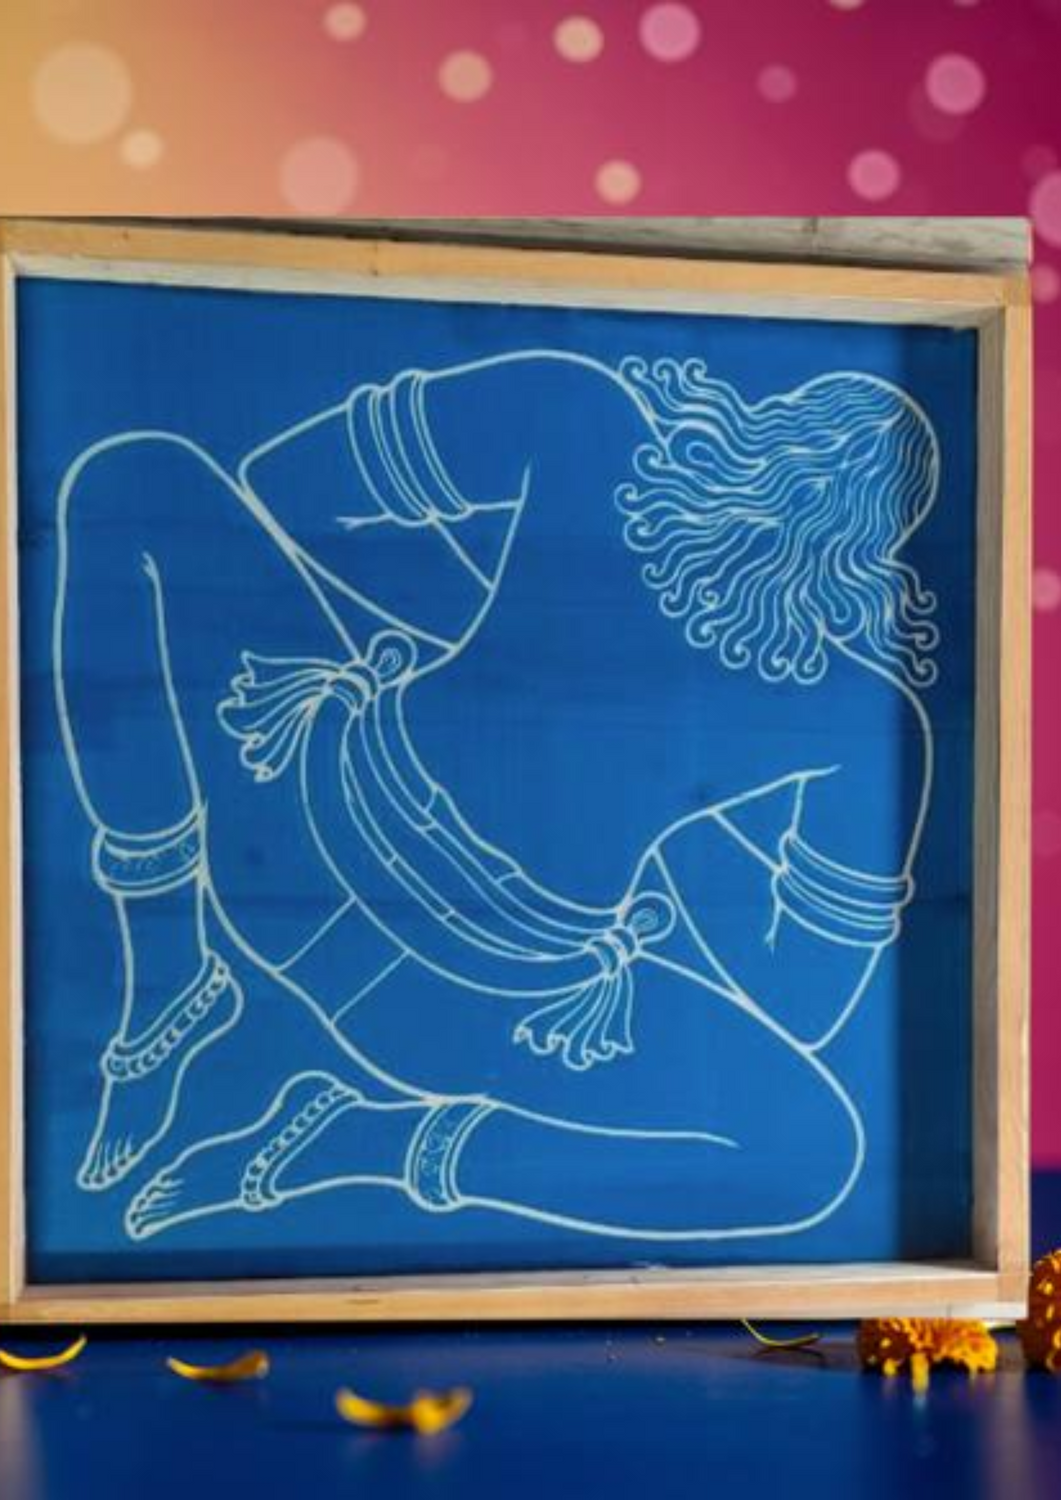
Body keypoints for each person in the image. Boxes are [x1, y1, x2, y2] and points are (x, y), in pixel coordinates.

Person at [50, 347, 940, 1243]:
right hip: (468, 1011)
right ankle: (362, 1140)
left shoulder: (582, 414)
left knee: (132, 476)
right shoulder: (864, 714)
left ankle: (169, 970)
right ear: (874, 560)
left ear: (753, 431)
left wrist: (475, 647)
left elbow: (286, 485)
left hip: (297, 825)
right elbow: (800, 1014)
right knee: (811, 1153)